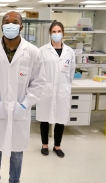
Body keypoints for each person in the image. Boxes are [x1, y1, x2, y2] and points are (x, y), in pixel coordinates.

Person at [0, 11, 46, 183]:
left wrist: (25, 104)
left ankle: (14, 181)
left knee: (17, 151)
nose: (10, 25)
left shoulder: (32, 52)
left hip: (19, 111)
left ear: (21, 26)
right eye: (6, 22)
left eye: (14, 22)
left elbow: (38, 83)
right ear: (2, 26)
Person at [36, 22, 76, 158]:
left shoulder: (69, 52)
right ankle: (44, 145)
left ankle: (57, 146)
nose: (57, 33)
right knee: (44, 118)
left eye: (59, 31)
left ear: (63, 33)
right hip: (47, 90)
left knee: (61, 118)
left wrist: (64, 85)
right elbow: (38, 71)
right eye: (54, 31)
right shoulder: (42, 51)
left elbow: (71, 72)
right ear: (50, 33)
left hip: (62, 90)